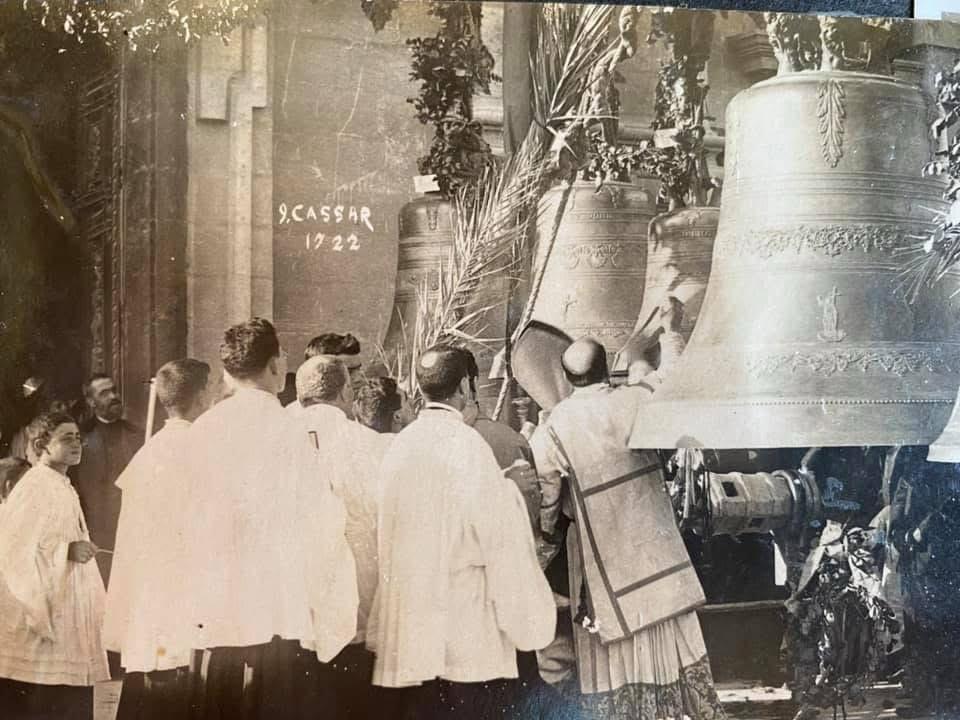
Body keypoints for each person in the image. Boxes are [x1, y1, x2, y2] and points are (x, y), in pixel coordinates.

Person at [529, 337, 727, 720]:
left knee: (610, 643)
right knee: (667, 629)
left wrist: (548, 540)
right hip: (655, 546)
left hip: (597, 555)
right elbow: (674, 377)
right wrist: (669, 333)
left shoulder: (551, 430)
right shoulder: (636, 399)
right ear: (605, 370)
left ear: (568, 378)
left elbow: (550, 500)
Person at [181, 318, 357, 720]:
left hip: (217, 599)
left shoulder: (204, 428)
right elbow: (320, 518)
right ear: (277, 366)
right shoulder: (286, 428)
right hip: (274, 602)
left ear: (227, 373)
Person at [367, 344, 555, 720]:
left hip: (413, 622)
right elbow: (497, 537)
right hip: (464, 622)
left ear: (421, 390)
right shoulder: (468, 446)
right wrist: (511, 493)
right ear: (467, 387)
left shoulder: (400, 447)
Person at [102, 359, 212, 720]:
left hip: (150, 595)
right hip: (182, 592)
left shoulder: (150, 452)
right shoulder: (200, 447)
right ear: (201, 396)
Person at [0, 412, 109, 720]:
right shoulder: (34, 486)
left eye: (78, 437)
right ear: (41, 444)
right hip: (43, 612)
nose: (77, 443)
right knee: (46, 696)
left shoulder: (62, 484)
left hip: (67, 603)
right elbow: (13, 548)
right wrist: (67, 550)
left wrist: (73, 548)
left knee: (68, 694)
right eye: (66, 438)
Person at [295, 356, 384, 719]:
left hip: (290, 603)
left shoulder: (273, 437)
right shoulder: (369, 443)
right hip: (353, 599)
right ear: (346, 391)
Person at [72, 373, 142, 588]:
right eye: (104, 393)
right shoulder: (79, 438)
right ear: (91, 402)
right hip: (96, 534)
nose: (113, 396)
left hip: (132, 528)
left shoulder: (137, 434)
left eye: (114, 391)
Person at [286, 332, 364, 417]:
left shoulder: (364, 412)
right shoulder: (290, 419)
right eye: (348, 371)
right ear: (318, 375)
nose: (359, 378)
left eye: (359, 369)